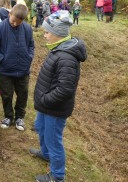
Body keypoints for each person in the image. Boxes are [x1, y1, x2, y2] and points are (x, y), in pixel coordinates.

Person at [29, 10, 87, 182]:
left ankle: (57, 176)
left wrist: (45, 100)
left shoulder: (66, 58)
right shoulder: (58, 48)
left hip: (54, 108)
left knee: (54, 140)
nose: (44, 35)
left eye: (47, 32)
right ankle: (45, 154)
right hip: (45, 105)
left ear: (57, 34)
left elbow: (65, 89)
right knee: (40, 127)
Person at [0, 4, 34, 131]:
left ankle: (20, 117)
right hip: (5, 70)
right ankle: (8, 116)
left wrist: (29, 57)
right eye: (13, 21)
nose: (14, 24)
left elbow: (31, 45)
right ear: (10, 14)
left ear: (23, 21)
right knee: (7, 95)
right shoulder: (0, 27)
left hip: (23, 70)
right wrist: (2, 58)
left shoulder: (27, 28)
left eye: (18, 23)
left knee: (22, 94)